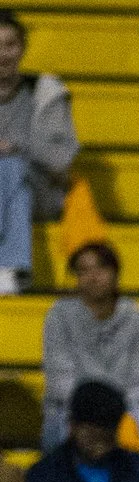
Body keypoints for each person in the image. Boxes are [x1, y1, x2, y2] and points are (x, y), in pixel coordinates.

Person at [42, 241, 139, 453]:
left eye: (101, 268)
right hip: (72, 407)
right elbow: (59, 380)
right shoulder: (59, 316)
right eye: (83, 270)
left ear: (116, 272)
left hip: (123, 408)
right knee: (57, 419)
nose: (93, 277)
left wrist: (111, 409)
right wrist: (90, 409)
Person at [0, 11, 76, 294]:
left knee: (11, 168)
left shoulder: (45, 91)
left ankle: (10, 265)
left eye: (10, 45)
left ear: (23, 48)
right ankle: (13, 270)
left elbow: (61, 157)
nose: (3, 54)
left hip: (41, 191)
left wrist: (17, 149)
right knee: (10, 178)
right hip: (15, 193)